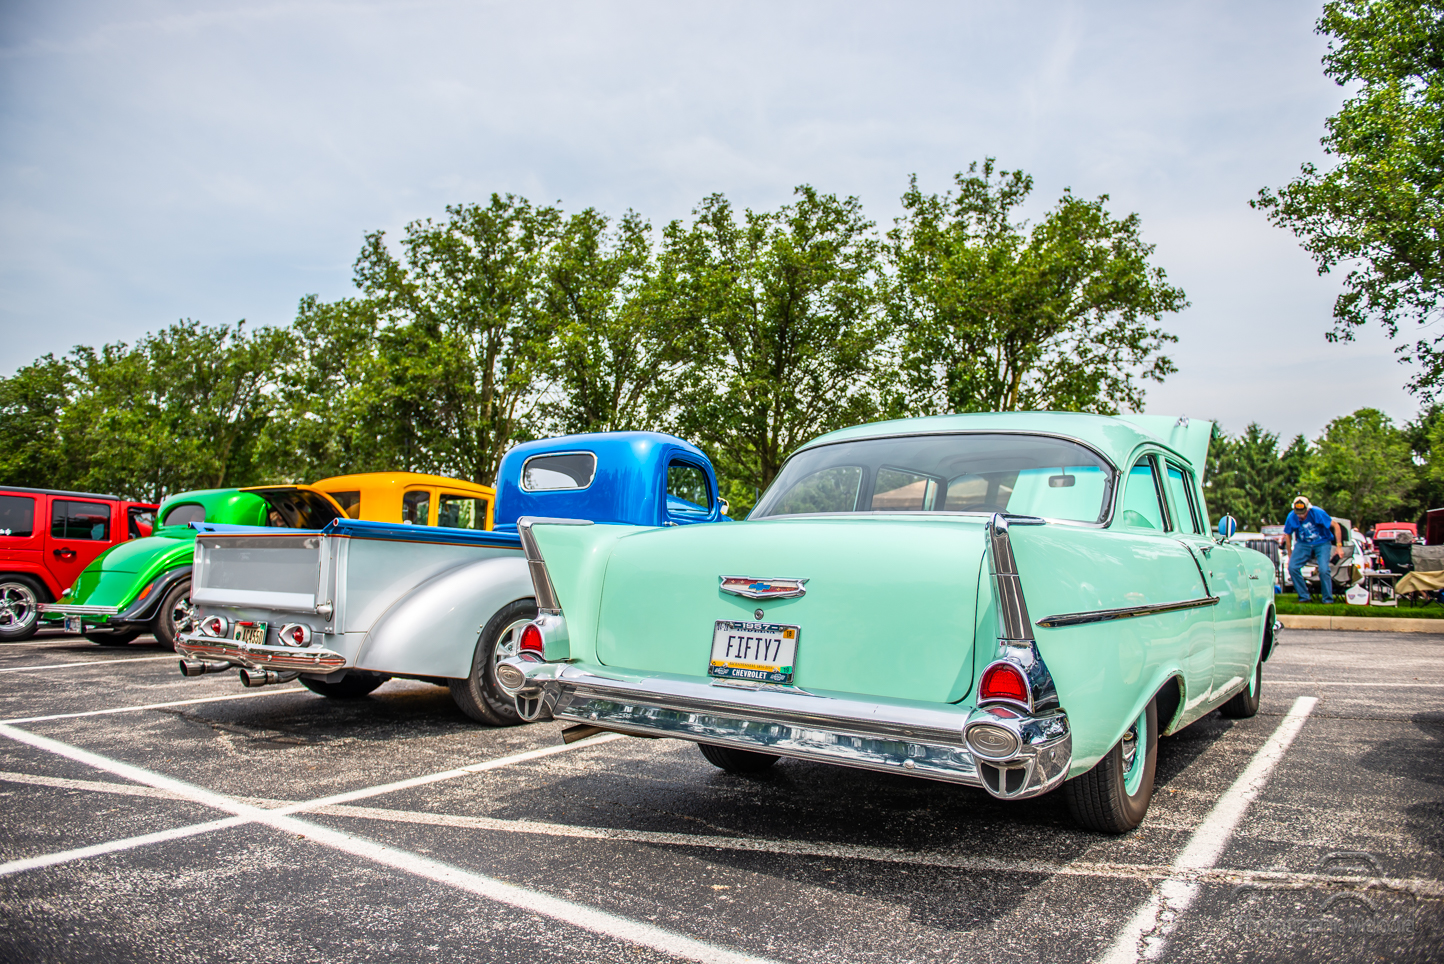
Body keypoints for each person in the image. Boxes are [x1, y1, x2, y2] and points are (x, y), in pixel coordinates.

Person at [1284, 496, 1342, 604]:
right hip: (1303, 544)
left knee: (1324, 569)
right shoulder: (1291, 516)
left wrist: (1339, 546)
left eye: (1303, 513)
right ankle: (1304, 597)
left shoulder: (1318, 513)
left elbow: (1336, 525)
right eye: (1298, 513)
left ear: (1308, 509)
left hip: (1322, 543)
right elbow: (1288, 535)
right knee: (1292, 567)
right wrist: (1290, 555)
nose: (1300, 516)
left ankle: (1328, 599)